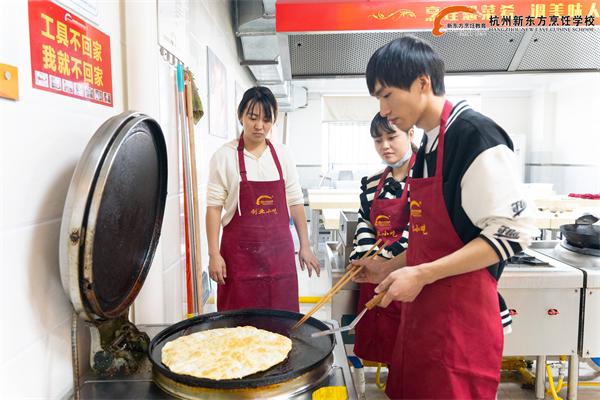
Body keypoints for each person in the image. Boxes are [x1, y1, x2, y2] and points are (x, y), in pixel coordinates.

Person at [352, 36, 537, 399]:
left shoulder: (473, 135)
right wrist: (387, 268)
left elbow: (512, 233)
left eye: (387, 95)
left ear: (422, 83)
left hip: (460, 329)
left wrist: (422, 274)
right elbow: (431, 242)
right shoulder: (428, 147)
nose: (383, 109)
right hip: (423, 321)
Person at [206, 86, 320, 312]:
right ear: (240, 115)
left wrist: (305, 246)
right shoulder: (224, 156)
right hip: (238, 258)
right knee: (237, 322)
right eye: (253, 117)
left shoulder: (283, 154)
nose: (259, 126)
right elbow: (214, 208)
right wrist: (213, 254)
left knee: (280, 320)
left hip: (279, 257)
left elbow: (296, 202)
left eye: (266, 120)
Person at [349, 114, 416, 365]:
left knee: (409, 352)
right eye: (378, 140)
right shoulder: (372, 183)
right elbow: (365, 221)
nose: (385, 146)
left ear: (411, 134)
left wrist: (386, 262)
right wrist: (367, 257)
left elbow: (420, 229)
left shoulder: (425, 180)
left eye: (391, 137)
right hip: (374, 272)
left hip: (409, 272)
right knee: (380, 342)